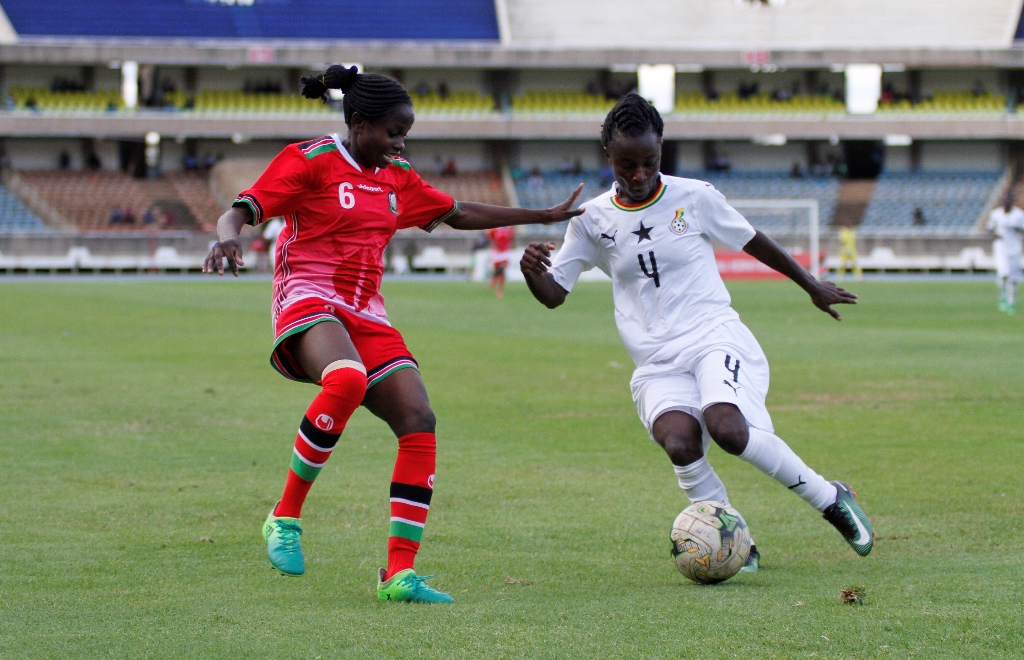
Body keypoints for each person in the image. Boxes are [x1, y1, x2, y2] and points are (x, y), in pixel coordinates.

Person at [202, 65, 583, 604]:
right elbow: (240, 211)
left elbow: (458, 212)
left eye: (406, 133)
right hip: (308, 296)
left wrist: (542, 214)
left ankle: (399, 574)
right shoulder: (310, 160)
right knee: (347, 379)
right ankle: (284, 517)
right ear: (358, 122)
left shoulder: (396, 177)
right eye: (393, 132)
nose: (401, 143)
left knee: (418, 419)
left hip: (367, 311)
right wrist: (226, 238)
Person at [520, 93, 874, 573]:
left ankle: (831, 499)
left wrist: (810, 284)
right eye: (627, 165)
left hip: (713, 336)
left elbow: (753, 241)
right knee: (680, 441)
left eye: (649, 162)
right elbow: (554, 294)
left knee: (728, 427)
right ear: (608, 156)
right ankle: (734, 541)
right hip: (656, 361)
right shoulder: (591, 220)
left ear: (661, 150)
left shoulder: (694, 197)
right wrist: (531, 270)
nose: (639, 175)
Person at [986, 192, 1024, 314]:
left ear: (1012, 201)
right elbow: (990, 228)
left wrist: (1016, 228)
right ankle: (1002, 297)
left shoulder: (1019, 215)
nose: (1006, 202)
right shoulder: (996, 214)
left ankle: (1011, 302)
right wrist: (995, 234)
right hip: (1001, 247)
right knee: (1003, 273)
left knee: (1014, 277)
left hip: (1015, 248)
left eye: (1009, 200)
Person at [487, 225, 515, 297]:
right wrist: (493, 246)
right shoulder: (494, 229)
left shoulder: (509, 229)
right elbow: (490, 238)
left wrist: (511, 246)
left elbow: (512, 239)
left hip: (505, 252)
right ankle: (494, 279)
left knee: (502, 269)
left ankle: (500, 289)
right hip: (496, 252)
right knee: (497, 270)